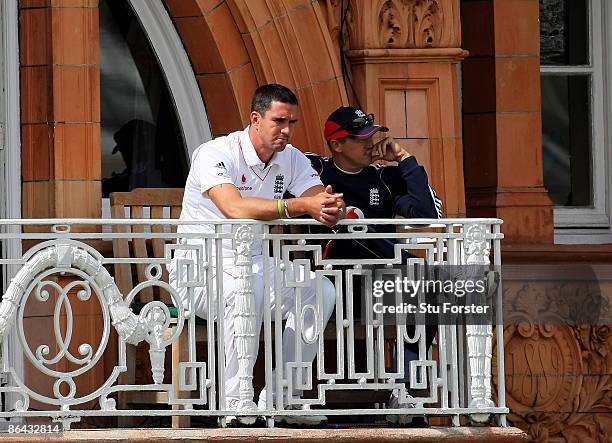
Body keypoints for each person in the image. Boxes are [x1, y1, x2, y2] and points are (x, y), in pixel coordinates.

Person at [169, 84, 344, 425]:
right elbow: (233, 207)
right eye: (279, 121)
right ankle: (236, 404)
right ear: (255, 119)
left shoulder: (290, 156)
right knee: (244, 286)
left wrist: (328, 204)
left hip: (255, 264)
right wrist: (298, 206)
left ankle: (282, 398)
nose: (286, 130)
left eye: (291, 122)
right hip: (198, 270)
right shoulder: (214, 152)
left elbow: (313, 194)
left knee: (320, 290)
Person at [306, 106, 443, 425]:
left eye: (373, 135)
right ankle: (295, 395)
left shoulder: (384, 176)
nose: (371, 143)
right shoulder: (314, 170)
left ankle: (407, 391)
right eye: (360, 137)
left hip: (378, 284)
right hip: (327, 286)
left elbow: (426, 216)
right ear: (337, 144)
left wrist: (405, 157)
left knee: (430, 284)